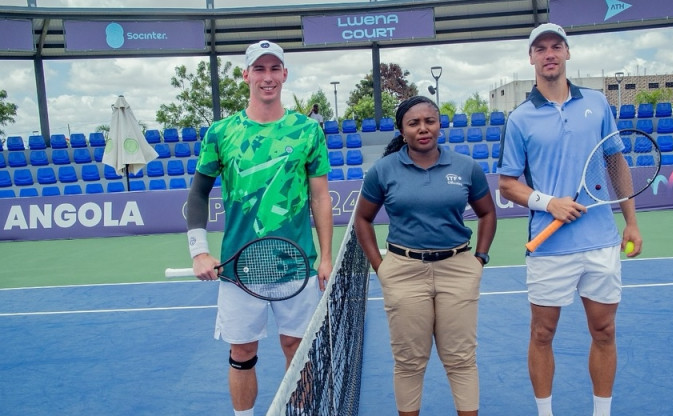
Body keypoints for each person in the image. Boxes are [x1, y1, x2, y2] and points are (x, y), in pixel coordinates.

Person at [496, 23, 642, 416]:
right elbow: (508, 184)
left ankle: (602, 412)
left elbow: (616, 162)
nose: (549, 54)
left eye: (556, 46)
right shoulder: (520, 119)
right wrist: (548, 203)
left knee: (604, 331)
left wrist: (631, 221)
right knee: (542, 334)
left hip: (601, 242)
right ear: (531, 58)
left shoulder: (596, 103)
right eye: (540, 48)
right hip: (550, 247)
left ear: (567, 53)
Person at [185, 40, 333, 416]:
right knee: (242, 352)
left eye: (274, 69)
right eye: (259, 69)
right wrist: (198, 250)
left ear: (284, 74)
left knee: (297, 351)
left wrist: (326, 257)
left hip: (295, 264)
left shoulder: (308, 131)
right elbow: (198, 194)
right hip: (239, 267)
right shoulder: (221, 132)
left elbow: (320, 198)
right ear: (246, 75)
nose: (267, 77)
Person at [354, 96, 497, 416]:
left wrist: (479, 259)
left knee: (461, 360)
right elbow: (362, 219)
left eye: (429, 121)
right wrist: (382, 268)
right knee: (408, 363)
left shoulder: (466, 167)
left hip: (458, 269)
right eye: (413, 123)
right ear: (402, 131)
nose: (423, 129)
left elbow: (488, 213)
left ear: (439, 125)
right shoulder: (382, 170)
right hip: (402, 272)